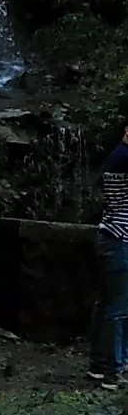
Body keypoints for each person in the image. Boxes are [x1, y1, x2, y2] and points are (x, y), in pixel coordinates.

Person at [89, 121, 128, 389]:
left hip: (109, 237)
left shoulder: (118, 155)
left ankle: (99, 366)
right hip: (120, 241)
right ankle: (115, 371)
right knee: (119, 309)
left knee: (105, 306)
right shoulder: (124, 158)